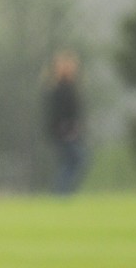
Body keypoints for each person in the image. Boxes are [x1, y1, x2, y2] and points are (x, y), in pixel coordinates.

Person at [44, 50, 87, 195]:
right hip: (65, 133)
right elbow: (59, 114)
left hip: (67, 132)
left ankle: (61, 192)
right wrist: (67, 130)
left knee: (72, 162)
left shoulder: (66, 88)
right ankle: (60, 192)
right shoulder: (62, 89)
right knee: (76, 160)